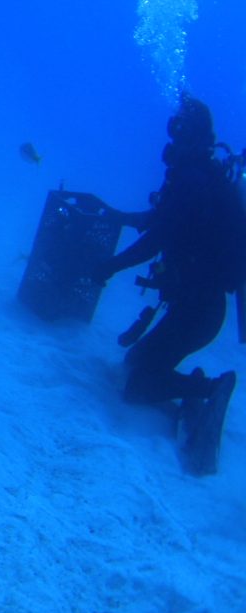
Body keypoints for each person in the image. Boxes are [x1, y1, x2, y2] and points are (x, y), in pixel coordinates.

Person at [101, 95, 243, 475]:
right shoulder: (197, 178)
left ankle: (208, 389)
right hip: (196, 309)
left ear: (190, 134)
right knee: (134, 364)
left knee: (137, 387)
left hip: (199, 312)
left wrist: (111, 266)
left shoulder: (192, 180)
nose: (172, 136)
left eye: (178, 128)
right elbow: (162, 221)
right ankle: (192, 383)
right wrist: (121, 217)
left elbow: (158, 237)